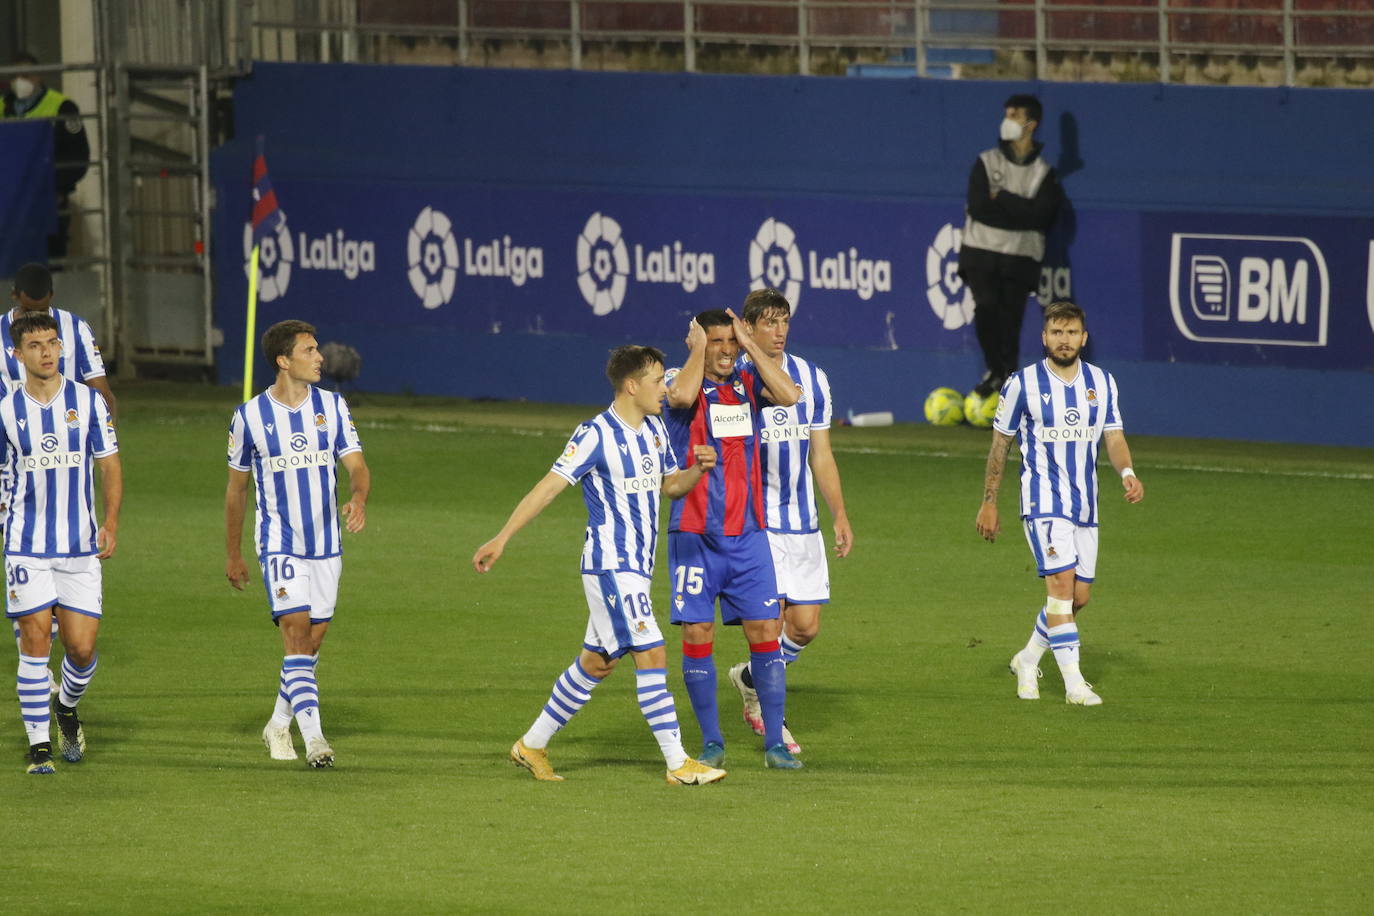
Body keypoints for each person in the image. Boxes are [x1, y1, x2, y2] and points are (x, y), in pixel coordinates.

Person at [473, 346, 726, 786]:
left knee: (597, 662)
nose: (664, 389)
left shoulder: (655, 430)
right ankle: (678, 763)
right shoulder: (594, 434)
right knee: (652, 652)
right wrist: (503, 536)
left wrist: (696, 471)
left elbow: (670, 486)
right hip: (611, 564)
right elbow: (548, 488)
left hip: (638, 568)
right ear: (631, 386)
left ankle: (531, 745)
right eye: (656, 381)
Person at [974, 301, 1144, 705]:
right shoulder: (1022, 384)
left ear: (1083, 338)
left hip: (1085, 505)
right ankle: (1074, 684)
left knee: (1077, 598)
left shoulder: (1102, 382)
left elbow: (1113, 436)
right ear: (1044, 337)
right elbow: (1000, 445)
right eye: (1056, 332)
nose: (1063, 340)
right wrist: (989, 501)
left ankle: (1028, 658)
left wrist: (1127, 471)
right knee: (1061, 587)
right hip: (1043, 501)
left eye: (1070, 332)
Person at [225, 320, 370, 768]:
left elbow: (357, 465)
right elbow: (237, 490)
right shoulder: (249, 417)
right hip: (279, 543)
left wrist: (359, 497)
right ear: (283, 361)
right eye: (309, 350)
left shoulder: (333, 406)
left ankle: (277, 723)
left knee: (310, 644)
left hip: (326, 544)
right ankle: (316, 740)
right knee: (295, 634)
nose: (320, 357)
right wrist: (234, 552)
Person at [664, 308, 804, 770]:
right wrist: (698, 349)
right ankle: (711, 742)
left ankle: (775, 743)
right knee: (697, 633)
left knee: (766, 633)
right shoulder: (678, 378)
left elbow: (790, 395)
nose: (726, 350)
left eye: (731, 340)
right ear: (699, 343)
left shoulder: (748, 379)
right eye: (717, 341)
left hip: (748, 536)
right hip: (695, 534)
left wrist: (750, 345)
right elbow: (681, 397)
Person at [725, 288, 853, 755]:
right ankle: (771, 720)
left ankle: (748, 678)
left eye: (784, 322)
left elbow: (821, 454)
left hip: (803, 523)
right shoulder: (737, 377)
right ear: (748, 327)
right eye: (769, 323)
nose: (779, 331)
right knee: (770, 622)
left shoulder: (813, 378)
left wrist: (839, 513)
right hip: (757, 523)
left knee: (804, 628)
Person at [1, 312, 121, 774]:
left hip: (79, 546)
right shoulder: (6, 411)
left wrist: (111, 521)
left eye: (52, 343)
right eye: (35, 346)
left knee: (82, 650)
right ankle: (39, 749)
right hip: (25, 544)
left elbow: (109, 464)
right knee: (34, 641)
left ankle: (66, 707)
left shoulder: (87, 402)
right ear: (17, 354)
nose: (47, 352)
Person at [4, 263, 114, 693]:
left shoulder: (75, 328)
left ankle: (57, 686)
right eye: (30, 309)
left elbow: (100, 389)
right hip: (13, 464)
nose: (38, 314)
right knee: (27, 570)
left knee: (80, 644)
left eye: (44, 307)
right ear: (15, 298)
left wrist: (103, 439)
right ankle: (37, 664)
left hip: (64, 458)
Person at [958, 93, 1064, 399]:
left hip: (1020, 257)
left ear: (1031, 124)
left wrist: (1002, 197)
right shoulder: (986, 161)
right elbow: (979, 207)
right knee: (986, 306)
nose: (1007, 121)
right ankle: (995, 370)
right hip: (981, 251)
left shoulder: (1043, 172)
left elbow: (1041, 216)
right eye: (1006, 114)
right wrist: (1021, 210)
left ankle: (1007, 377)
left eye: (1014, 115)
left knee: (1010, 319)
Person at [2, 54, 91, 259]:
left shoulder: (62, 107)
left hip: (47, 202)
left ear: (39, 76)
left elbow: (77, 156)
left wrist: (56, 188)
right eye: (14, 76)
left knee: (48, 264)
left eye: (26, 75)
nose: (20, 81)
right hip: (7, 206)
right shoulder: (1, 106)